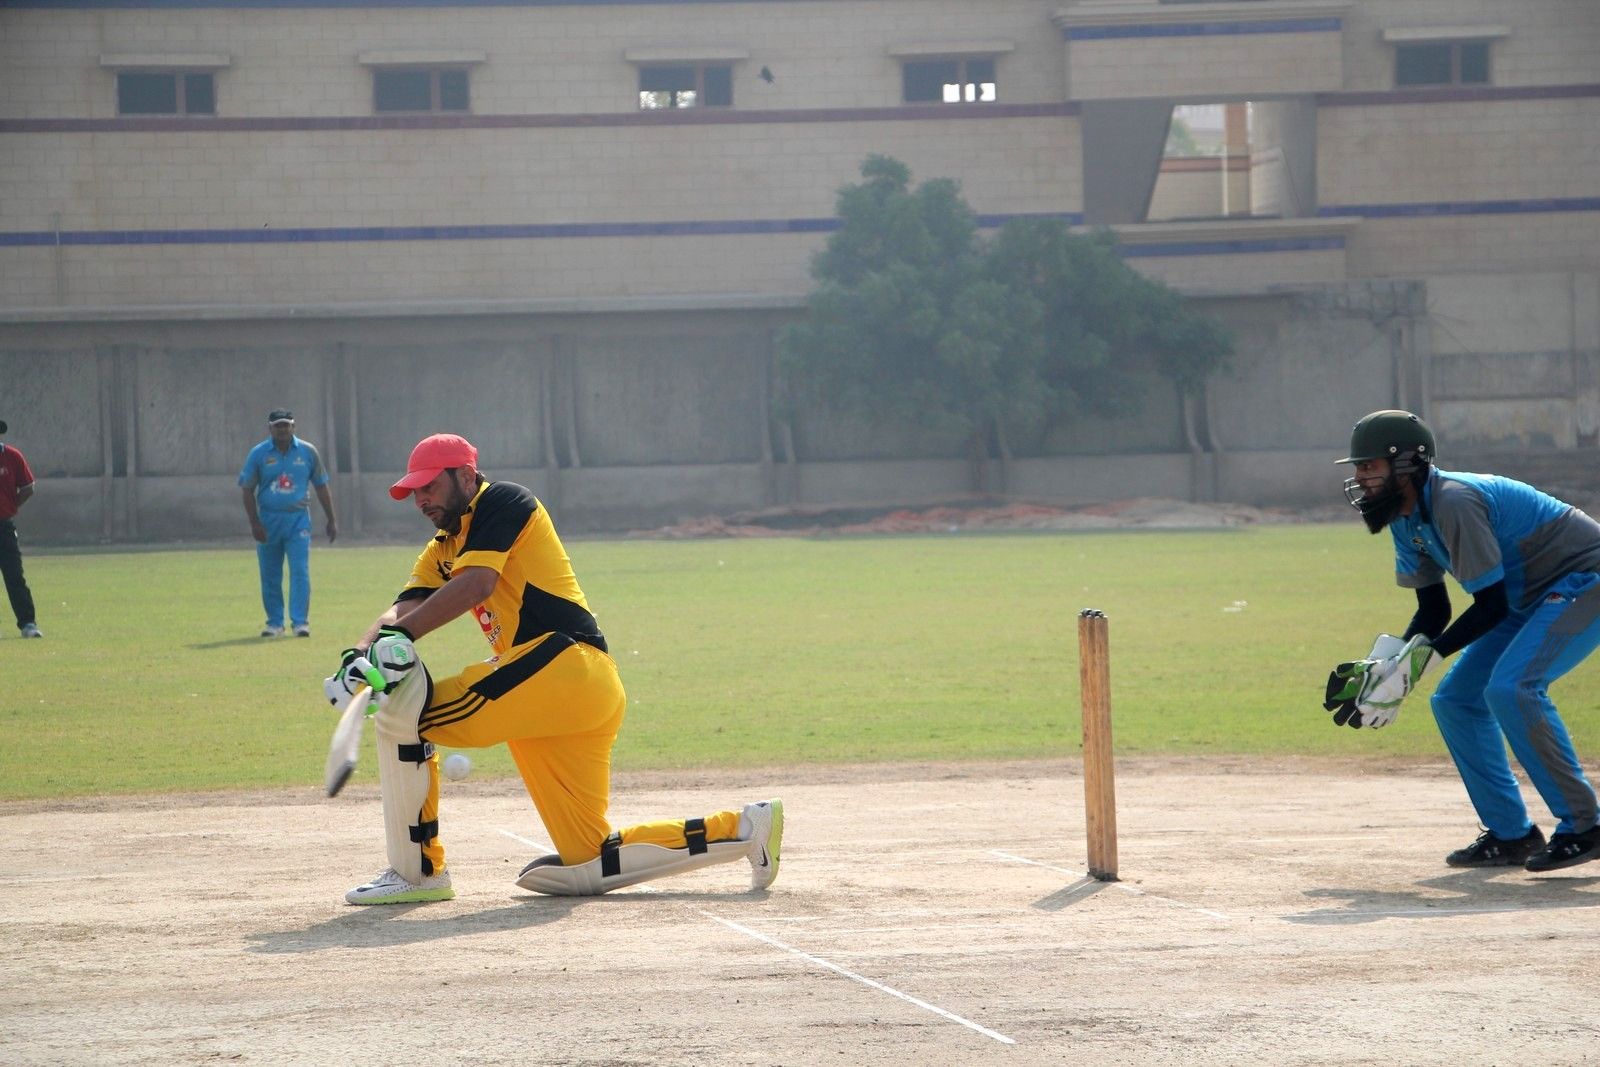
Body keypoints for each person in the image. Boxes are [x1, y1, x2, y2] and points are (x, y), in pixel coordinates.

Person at [325, 432, 783, 904]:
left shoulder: (503, 501)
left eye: (429, 486)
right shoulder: (443, 547)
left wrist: (401, 639)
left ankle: (418, 873)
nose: (420, 499)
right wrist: (359, 652)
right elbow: (404, 607)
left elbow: (477, 584)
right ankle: (748, 829)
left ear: (465, 475)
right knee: (590, 858)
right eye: (414, 491)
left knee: (408, 717)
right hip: (571, 693)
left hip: (562, 666)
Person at [1326, 409, 1600, 873]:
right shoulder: (1404, 517)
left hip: (1583, 580)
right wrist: (1391, 666)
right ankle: (1511, 834)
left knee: (1512, 688)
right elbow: (1434, 611)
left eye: (1370, 465)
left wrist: (1415, 668)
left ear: (1407, 463)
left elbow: (1488, 606)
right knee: (1455, 701)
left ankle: (1586, 826)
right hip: (1522, 600)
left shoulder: (1454, 501)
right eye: (1359, 467)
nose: (1361, 477)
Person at [238, 410, 336, 637]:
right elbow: (246, 489)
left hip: (298, 519)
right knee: (270, 573)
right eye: (277, 426)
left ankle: (300, 622)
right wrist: (254, 523)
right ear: (270, 428)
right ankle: (274, 623)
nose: (282, 430)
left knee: (300, 570)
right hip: (269, 520)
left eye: (286, 425)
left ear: (293, 427)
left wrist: (331, 519)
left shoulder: (308, 452)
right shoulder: (259, 454)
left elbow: (321, 485)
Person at [0, 419, 42, 639]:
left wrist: (11, 505)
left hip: (3, 526)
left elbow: (28, 487)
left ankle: (28, 623)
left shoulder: (12, 456)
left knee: (14, 576)